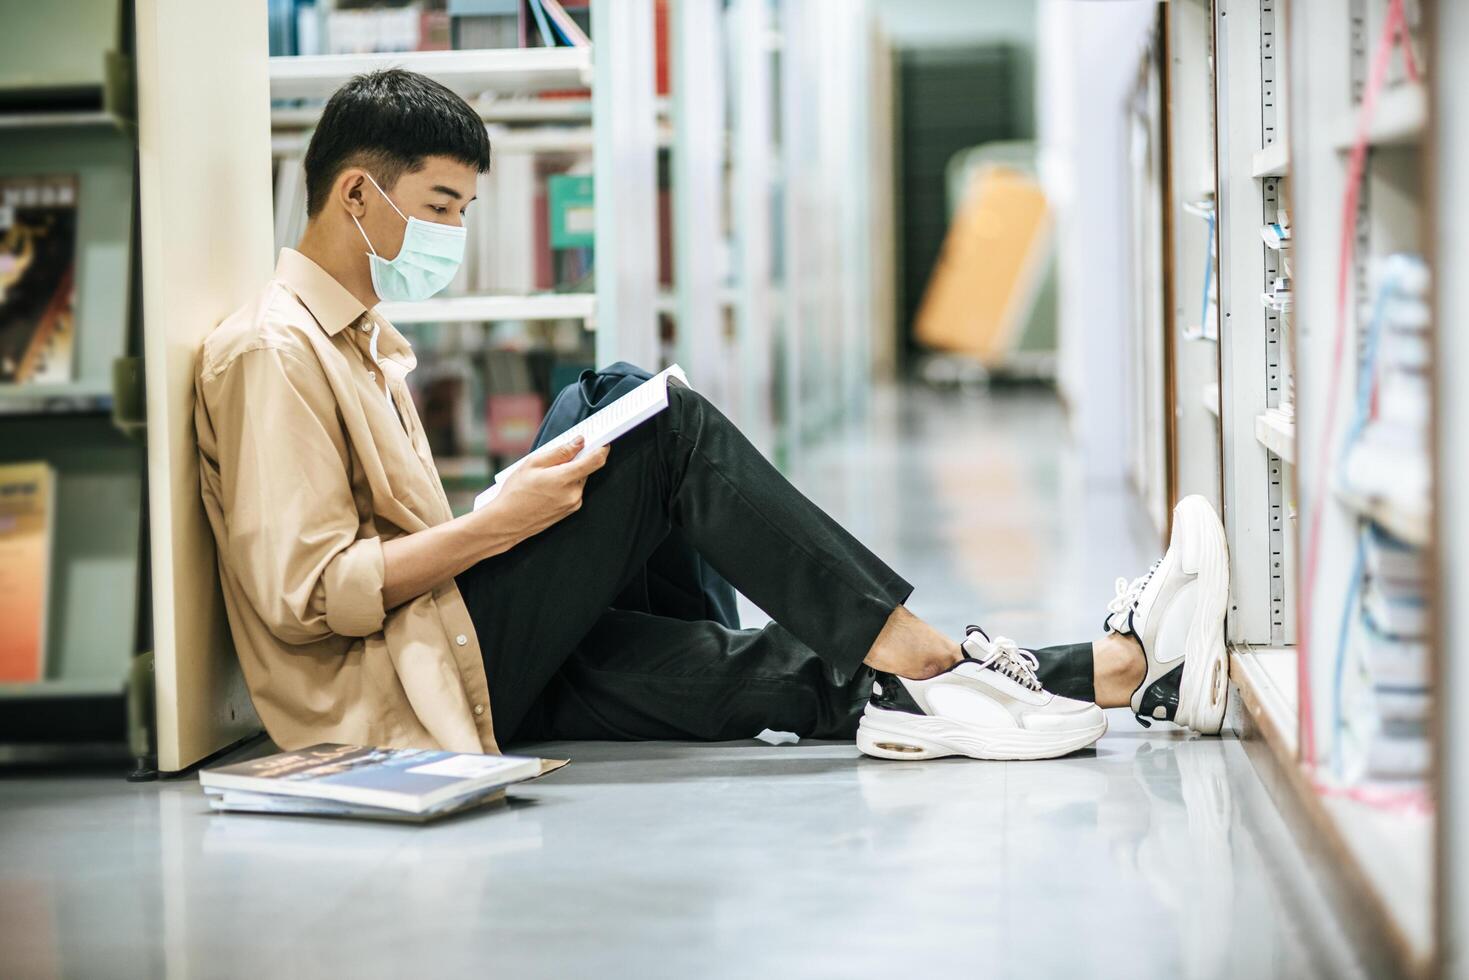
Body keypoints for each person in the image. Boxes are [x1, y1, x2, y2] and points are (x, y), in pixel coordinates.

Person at [195, 69, 1230, 764]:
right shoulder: (273, 350)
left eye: (465, 212)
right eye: (439, 209)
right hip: (396, 691)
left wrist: (498, 510)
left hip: (453, 644)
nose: (454, 235)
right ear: (355, 197)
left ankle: (1112, 672)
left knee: (613, 399)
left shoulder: (361, 335)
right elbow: (312, 595)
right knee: (666, 428)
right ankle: (902, 636)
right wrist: (498, 524)